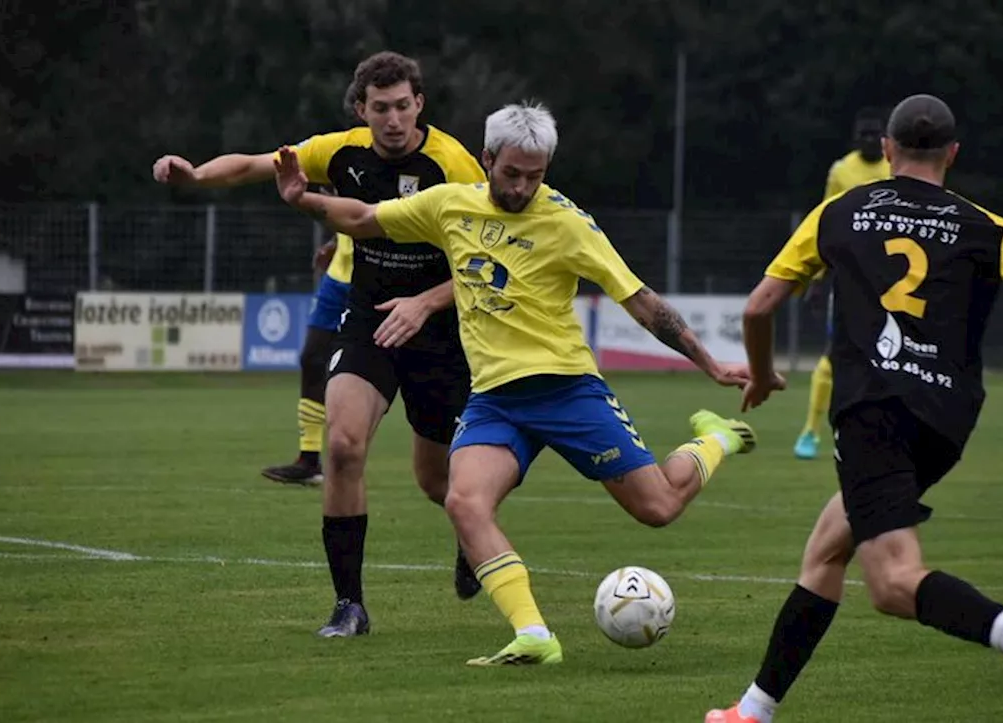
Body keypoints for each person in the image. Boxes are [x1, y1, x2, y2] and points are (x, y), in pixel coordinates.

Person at [705, 94, 1003, 723]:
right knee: (828, 549)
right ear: (952, 154)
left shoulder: (840, 212)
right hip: (946, 421)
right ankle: (752, 712)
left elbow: (758, 307)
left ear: (886, 149)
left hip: (873, 411)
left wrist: (759, 373)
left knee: (891, 584)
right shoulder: (985, 225)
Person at [274, 101, 758, 666]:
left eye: (536, 175)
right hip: (496, 401)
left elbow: (643, 303)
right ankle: (534, 634)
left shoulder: (568, 223)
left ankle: (716, 437)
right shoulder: (449, 205)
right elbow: (361, 218)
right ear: (487, 159)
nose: (524, 186)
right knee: (464, 500)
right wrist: (302, 199)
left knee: (658, 508)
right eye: (512, 173)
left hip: (568, 391)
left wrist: (710, 364)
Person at [155, 51, 489, 636]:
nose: (393, 120)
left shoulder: (454, 164)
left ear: (420, 105)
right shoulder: (340, 150)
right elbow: (256, 164)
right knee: (342, 445)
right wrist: (197, 176)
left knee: (438, 483)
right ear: (362, 110)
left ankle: (470, 536)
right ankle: (349, 606)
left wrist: (425, 303)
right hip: (368, 322)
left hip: (439, 330)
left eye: (403, 107)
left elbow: (490, 260)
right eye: (380, 108)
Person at [793, 108, 891, 460]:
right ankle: (810, 432)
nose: (869, 140)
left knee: (892, 356)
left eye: (875, 134)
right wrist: (819, 279)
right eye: (863, 134)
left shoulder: (897, 168)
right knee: (834, 357)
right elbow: (826, 221)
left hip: (893, 279)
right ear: (855, 139)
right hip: (850, 279)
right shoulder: (841, 171)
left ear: (886, 138)